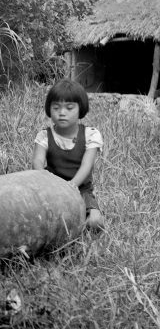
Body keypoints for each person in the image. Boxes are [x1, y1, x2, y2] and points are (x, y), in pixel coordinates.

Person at [31, 78, 104, 230]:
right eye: (56, 108)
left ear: (80, 109)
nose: (62, 113)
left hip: (80, 189)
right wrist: (50, 185)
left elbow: (86, 165)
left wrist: (71, 186)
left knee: (95, 222)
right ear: (49, 109)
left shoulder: (91, 135)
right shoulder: (44, 135)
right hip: (51, 189)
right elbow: (37, 163)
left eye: (69, 108)